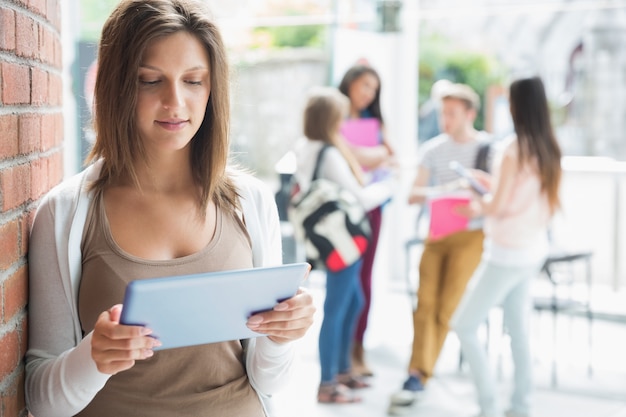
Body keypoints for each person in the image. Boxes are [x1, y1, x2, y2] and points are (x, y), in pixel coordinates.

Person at [25, 1, 315, 416]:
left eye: (194, 81)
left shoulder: (251, 201)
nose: (175, 102)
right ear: (117, 87)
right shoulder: (67, 213)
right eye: (149, 81)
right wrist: (92, 358)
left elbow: (271, 381)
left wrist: (282, 335)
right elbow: (40, 400)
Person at [452, 76, 562, 417]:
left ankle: (488, 408)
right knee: (518, 330)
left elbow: (496, 207)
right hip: (531, 251)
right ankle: (520, 407)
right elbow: (517, 197)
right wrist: (492, 187)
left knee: (464, 325)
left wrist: (477, 203)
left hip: (506, 253)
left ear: (516, 106)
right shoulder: (547, 148)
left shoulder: (513, 149)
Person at [389, 83, 491, 413]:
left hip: (471, 237)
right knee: (425, 305)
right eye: (443, 113)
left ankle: (421, 373)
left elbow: (495, 198)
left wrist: (473, 198)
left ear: (470, 114)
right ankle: (416, 374)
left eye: (452, 113)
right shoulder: (432, 150)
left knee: (447, 308)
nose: (445, 119)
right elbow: (413, 195)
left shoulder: (489, 149)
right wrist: (448, 189)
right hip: (435, 234)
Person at [292, 86, 396, 404]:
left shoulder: (304, 146)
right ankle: (328, 383)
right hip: (343, 238)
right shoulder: (330, 152)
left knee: (353, 300)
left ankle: (340, 371)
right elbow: (360, 198)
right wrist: (389, 186)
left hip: (328, 237)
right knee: (339, 306)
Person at [338, 64, 397, 377]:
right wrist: (374, 155)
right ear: (349, 84)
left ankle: (358, 348)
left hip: (373, 206)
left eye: (373, 89)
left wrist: (368, 154)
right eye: (364, 86)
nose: (368, 93)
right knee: (345, 281)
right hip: (343, 209)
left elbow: (392, 157)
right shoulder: (334, 117)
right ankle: (342, 353)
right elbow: (348, 156)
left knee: (365, 279)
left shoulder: (376, 122)